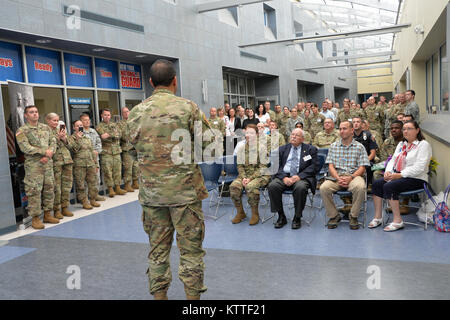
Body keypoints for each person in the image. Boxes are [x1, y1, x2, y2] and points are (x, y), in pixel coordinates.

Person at [127, 59, 211, 300]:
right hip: (185, 194)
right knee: (191, 252)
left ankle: (159, 297)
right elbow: (208, 144)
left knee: (157, 252)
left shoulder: (136, 113)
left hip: (152, 196)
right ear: (175, 81)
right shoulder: (188, 108)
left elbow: (131, 150)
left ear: (151, 82)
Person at [369, 121, 432, 232]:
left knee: (390, 186)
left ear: (417, 130)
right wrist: (388, 172)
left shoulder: (423, 145)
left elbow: (420, 167)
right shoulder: (402, 144)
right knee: (377, 184)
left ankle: (398, 221)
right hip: (398, 176)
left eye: (409, 129)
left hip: (417, 178)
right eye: (404, 129)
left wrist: (399, 175)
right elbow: (392, 160)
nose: (406, 131)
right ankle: (378, 217)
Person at [320, 121, 370, 230]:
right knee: (324, 188)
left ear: (352, 130)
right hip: (337, 176)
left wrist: (351, 177)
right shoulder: (334, 146)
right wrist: (338, 178)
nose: (341, 131)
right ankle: (334, 215)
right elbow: (331, 166)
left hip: (354, 176)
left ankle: (353, 215)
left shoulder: (359, 147)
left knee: (360, 187)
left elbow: (362, 167)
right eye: (340, 129)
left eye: (345, 128)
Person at [15, 106, 59, 229]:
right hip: (34, 166)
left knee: (49, 189)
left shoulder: (46, 128)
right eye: (31, 112)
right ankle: (35, 218)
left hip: (48, 164)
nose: (34, 114)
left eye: (36, 112)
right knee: (34, 191)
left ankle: (47, 214)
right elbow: (25, 148)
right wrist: (45, 152)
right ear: (26, 115)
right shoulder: (22, 131)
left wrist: (49, 154)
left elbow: (53, 142)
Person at [268, 128, 318, 230]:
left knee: (300, 187)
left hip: (301, 176)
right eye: (292, 135)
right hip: (284, 175)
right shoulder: (282, 149)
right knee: (272, 186)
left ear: (302, 139)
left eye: (297, 135)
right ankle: (281, 216)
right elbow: (275, 166)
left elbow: (314, 166)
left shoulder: (310, 150)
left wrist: (300, 176)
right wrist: (284, 177)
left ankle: (297, 217)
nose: (293, 137)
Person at [230, 124, 271, 226]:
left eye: (251, 133)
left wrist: (250, 178)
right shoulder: (241, 148)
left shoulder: (262, 148)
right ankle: (240, 213)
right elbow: (240, 166)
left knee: (250, 186)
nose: (248, 135)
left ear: (256, 134)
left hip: (260, 176)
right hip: (245, 176)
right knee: (234, 186)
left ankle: (255, 213)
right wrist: (244, 177)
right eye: (247, 132)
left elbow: (263, 167)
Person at [45, 113, 74, 219]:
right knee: (57, 188)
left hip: (67, 161)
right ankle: (56, 209)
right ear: (48, 120)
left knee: (66, 186)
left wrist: (64, 138)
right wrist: (58, 138)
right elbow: (48, 147)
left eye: (57, 120)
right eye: (54, 120)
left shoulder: (62, 131)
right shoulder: (45, 132)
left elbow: (72, 146)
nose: (56, 122)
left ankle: (65, 207)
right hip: (56, 163)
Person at [70, 120, 101, 210]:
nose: (79, 127)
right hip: (79, 165)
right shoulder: (72, 138)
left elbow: (92, 152)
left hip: (90, 164)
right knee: (81, 185)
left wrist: (96, 164)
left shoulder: (87, 138)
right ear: (74, 127)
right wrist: (78, 139)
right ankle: (84, 201)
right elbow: (73, 150)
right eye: (77, 126)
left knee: (93, 183)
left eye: (81, 125)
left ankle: (92, 199)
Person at [96, 109, 126, 197]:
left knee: (117, 170)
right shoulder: (99, 126)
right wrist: (113, 133)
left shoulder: (115, 124)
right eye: (105, 115)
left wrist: (109, 134)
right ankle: (110, 189)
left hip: (116, 151)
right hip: (106, 152)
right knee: (107, 171)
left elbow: (119, 135)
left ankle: (117, 187)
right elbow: (103, 136)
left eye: (108, 115)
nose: (107, 116)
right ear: (101, 115)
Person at [80, 113, 105, 202]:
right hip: (85, 160)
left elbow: (99, 142)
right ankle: (86, 197)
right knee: (86, 180)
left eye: (88, 120)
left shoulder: (93, 131)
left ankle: (95, 195)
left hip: (95, 159)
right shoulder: (80, 132)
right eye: (85, 120)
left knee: (96, 177)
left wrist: (97, 151)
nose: (87, 122)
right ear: (81, 122)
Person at [117, 107, 138, 192]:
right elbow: (122, 136)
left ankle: (135, 182)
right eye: (124, 112)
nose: (126, 113)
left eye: (127, 112)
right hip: (126, 148)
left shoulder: (133, 122)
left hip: (134, 147)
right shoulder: (120, 124)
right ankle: (127, 184)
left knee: (135, 167)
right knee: (128, 168)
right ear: (122, 114)